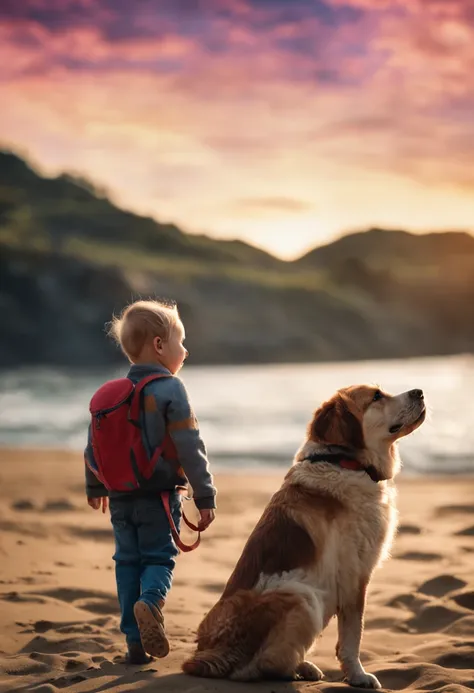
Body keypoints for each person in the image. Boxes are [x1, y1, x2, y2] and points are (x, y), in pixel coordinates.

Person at [84, 300, 216, 664]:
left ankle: (133, 642)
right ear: (159, 345)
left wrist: (95, 487)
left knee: (127, 562)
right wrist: (205, 495)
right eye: (180, 341)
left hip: (120, 498)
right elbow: (190, 447)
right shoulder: (171, 389)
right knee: (160, 557)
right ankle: (152, 602)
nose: (185, 350)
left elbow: (92, 447)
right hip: (158, 497)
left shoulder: (110, 394)